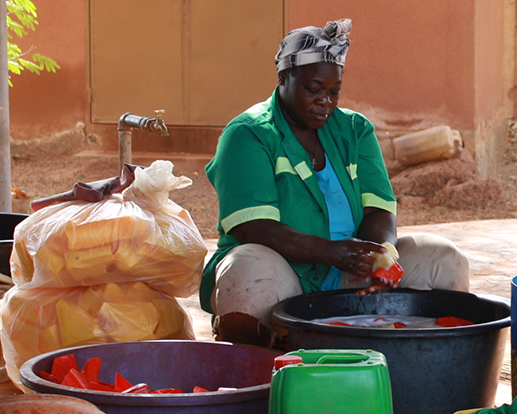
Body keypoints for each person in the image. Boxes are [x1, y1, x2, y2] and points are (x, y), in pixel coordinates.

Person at [199, 18, 470, 346]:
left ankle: (429, 363)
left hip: (346, 273)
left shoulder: (355, 130)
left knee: (444, 259)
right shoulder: (249, 134)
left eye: (334, 92)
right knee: (247, 270)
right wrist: (333, 252)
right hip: (286, 276)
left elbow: (379, 211)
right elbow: (254, 228)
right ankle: (253, 370)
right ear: (284, 77)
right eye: (312, 90)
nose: (324, 101)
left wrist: (379, 257)